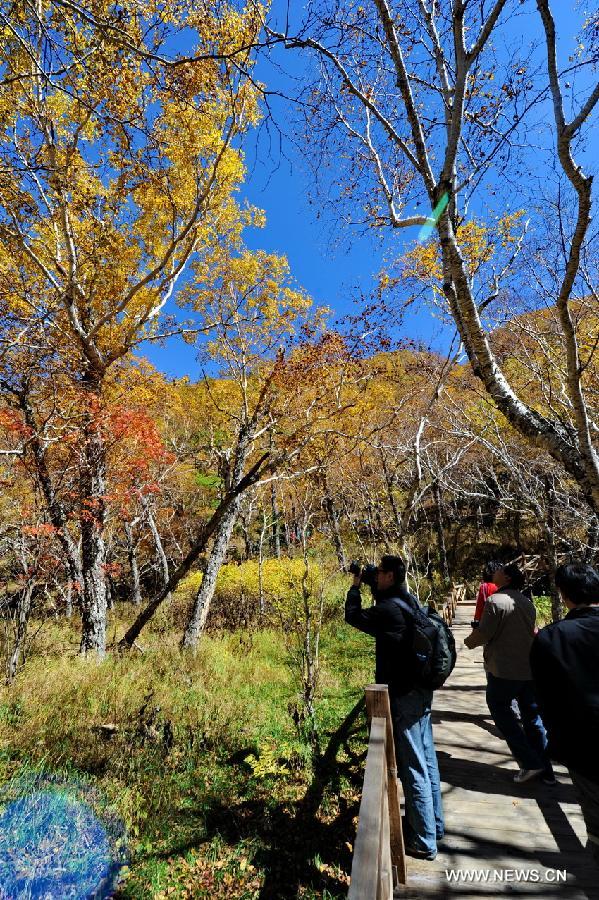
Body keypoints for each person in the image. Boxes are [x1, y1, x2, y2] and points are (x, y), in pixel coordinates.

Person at [345, 555, 444, 861]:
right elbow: (384, 594)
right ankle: (434, 826)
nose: (376, 577)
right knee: (426, 759)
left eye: (380, 573)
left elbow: (353, 616)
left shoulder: (387, 611)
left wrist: (355, 584)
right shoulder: (407, 600)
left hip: (403, 695)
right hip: (421, 691)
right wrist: (371, 578)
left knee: (412, 765)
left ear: (388, 576)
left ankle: (424, 841)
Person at [530, 563, 599, 865]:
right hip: (580, 741)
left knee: (595, 813)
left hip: (582, 743)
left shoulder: (551, 638)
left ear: (564, 594)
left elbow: (543, 698)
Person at [464, 562, 554, 784]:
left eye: (498, 571)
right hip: (529, 668)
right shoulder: (526, 601)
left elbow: (484, 633)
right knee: (533, 718)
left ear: (506, 578)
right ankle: (547, 771)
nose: (493, 572)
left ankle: (530, 762)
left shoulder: (496, 601)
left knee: (500, 711)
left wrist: (468, 642)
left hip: (504, 669)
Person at [472, 559, 500, 627]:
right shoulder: (502, 586)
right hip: (502, 623)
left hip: (487, 623)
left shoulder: (484, 587)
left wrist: (476, 620)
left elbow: (480, 608)